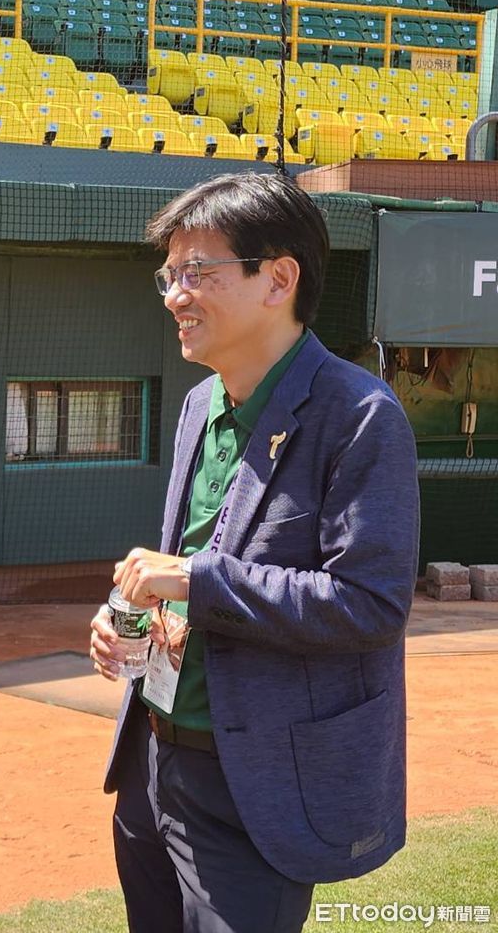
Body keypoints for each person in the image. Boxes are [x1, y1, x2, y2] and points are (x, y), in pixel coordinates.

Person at [90, 171, 419, 933]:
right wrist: (129, 620)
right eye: (170, 275)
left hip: (259, 781)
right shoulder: (199, 404)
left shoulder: (361, 415)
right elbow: (193, 567)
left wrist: (194, 582)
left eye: (198, 273)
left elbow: (369, 605)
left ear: (278, 279)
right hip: (154, 759)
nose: (176, 294)